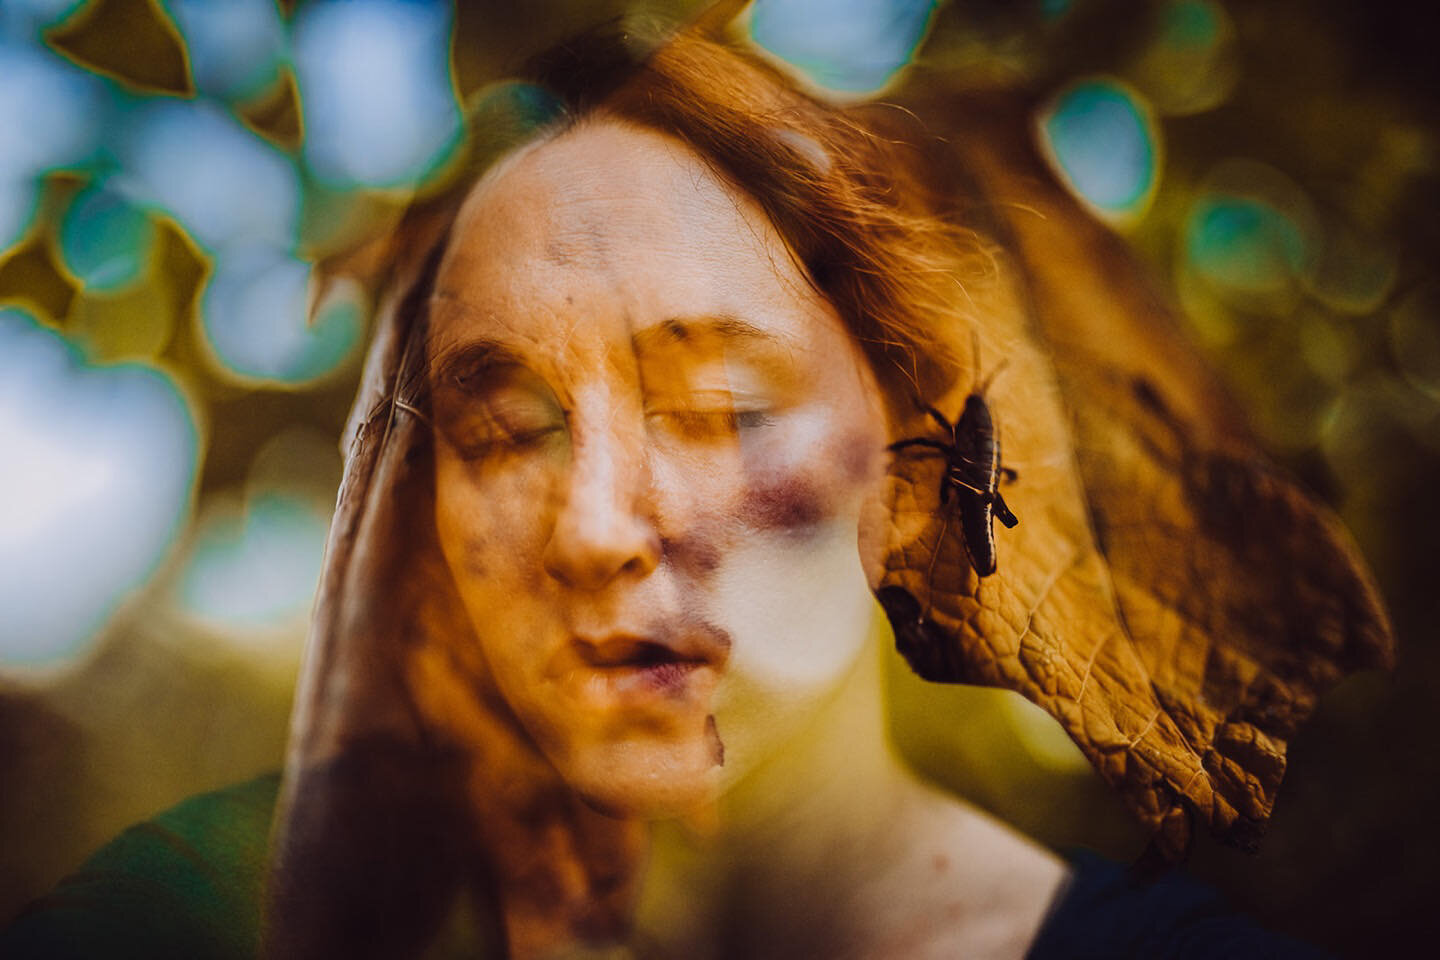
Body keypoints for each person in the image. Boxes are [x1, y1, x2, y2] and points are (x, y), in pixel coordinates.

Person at [1, 20, 1391, 960]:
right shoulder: (202, 906)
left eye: (721, 409)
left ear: (913, 477)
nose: (599, 524)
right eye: (504, 428)